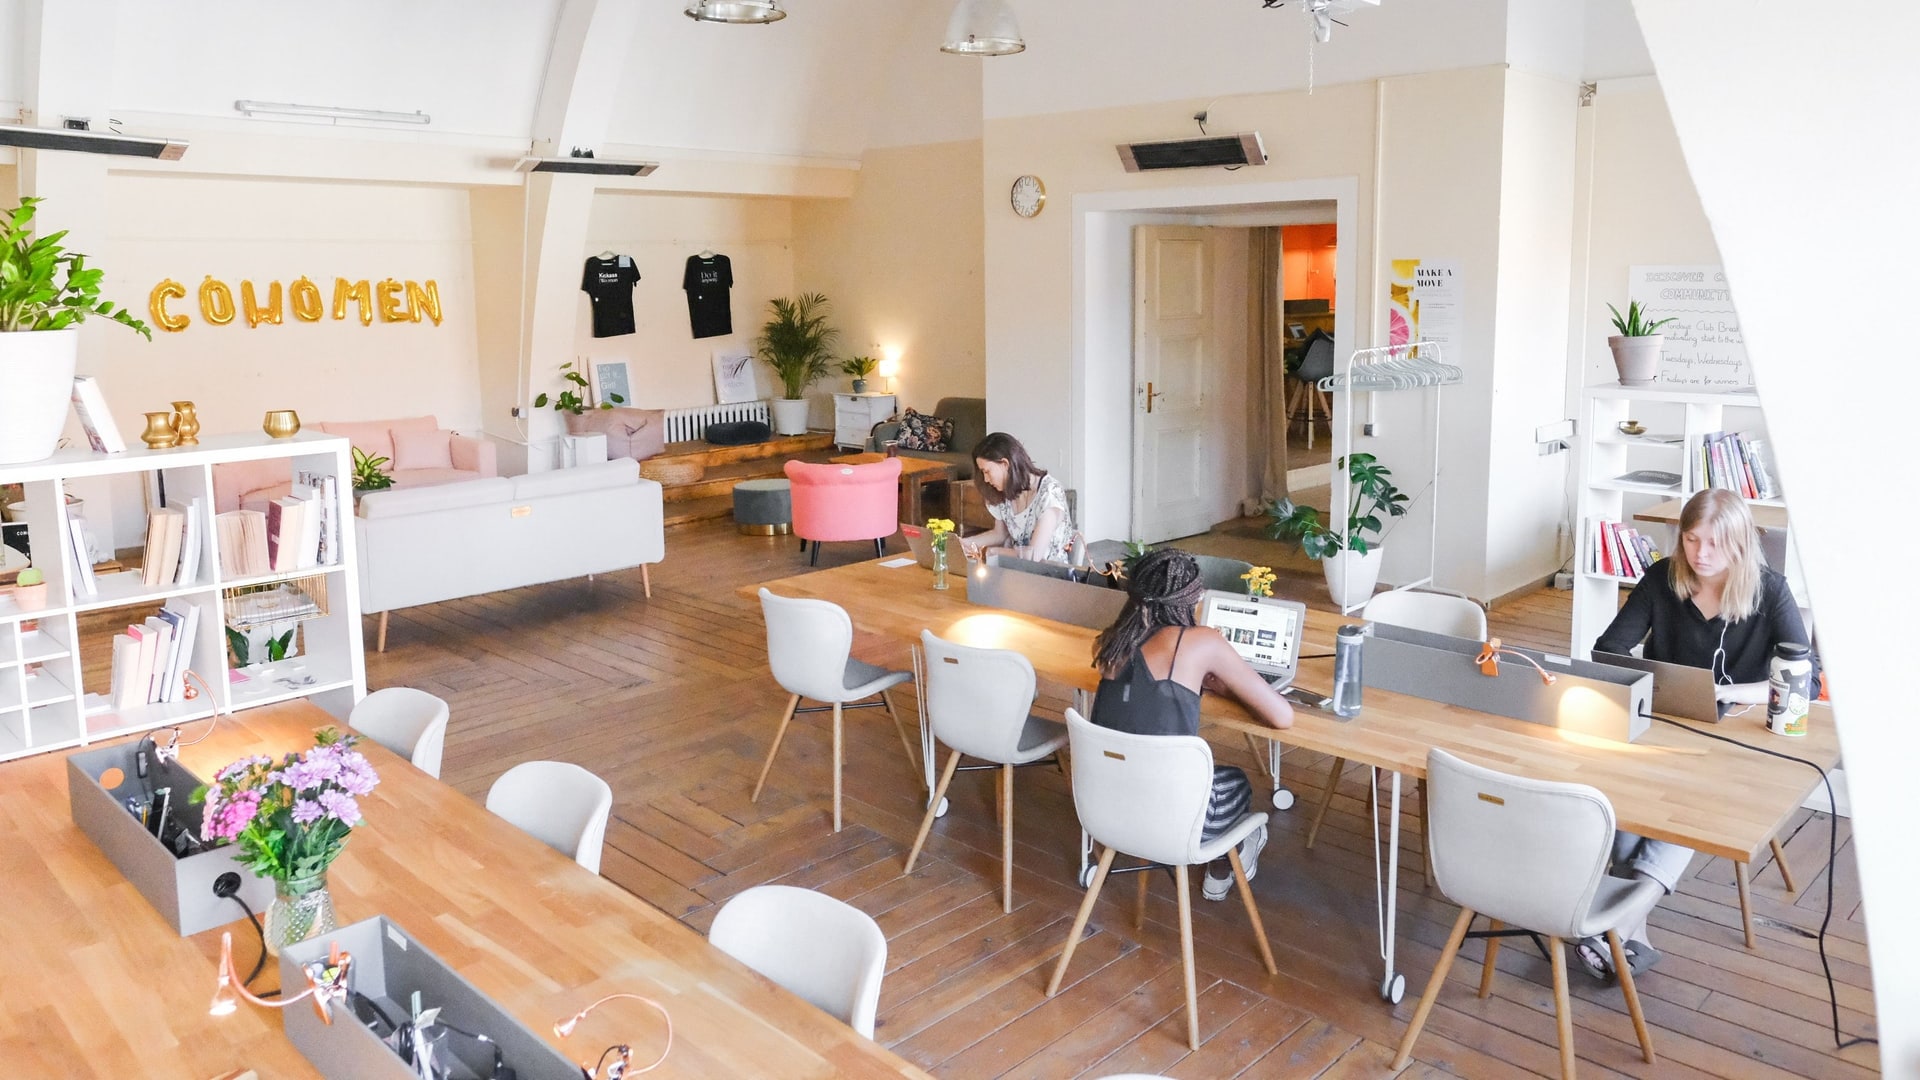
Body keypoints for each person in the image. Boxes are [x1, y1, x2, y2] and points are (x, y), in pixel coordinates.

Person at [1585, 487, 1815, 981]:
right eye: (1691, 540)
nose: (1701, 554)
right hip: (1664, 727)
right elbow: (1609, 651)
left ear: (1739, 543)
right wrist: (1658, 687)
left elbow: (1807, 681)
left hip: (1734, 741)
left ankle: (1614, 929)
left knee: (1689, 805)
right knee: (1627, 811)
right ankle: (1631, 935)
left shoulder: (1769, 591)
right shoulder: (1661, 579)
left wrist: (1729, 693)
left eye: (1714, 543)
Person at [1089, 548, 1295, 900]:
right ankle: (1226, 860)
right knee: (1237, 781)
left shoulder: (1109, 642)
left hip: (1106, 807)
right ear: (1194, 597)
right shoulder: (1201, 641)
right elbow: (1282, 716)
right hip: (1173, 821)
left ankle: (1222, 860)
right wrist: (1228, 689)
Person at [959, 432, 1073, 564]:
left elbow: (1034, 556)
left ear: (1005, 464)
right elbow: (1000, 534)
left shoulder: (1050, 493)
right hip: (1015, 569)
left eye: (987, 471)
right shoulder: (1004, 491)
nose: (985, 479)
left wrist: (991, 552)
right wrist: (965, 543)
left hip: (1048, 573)